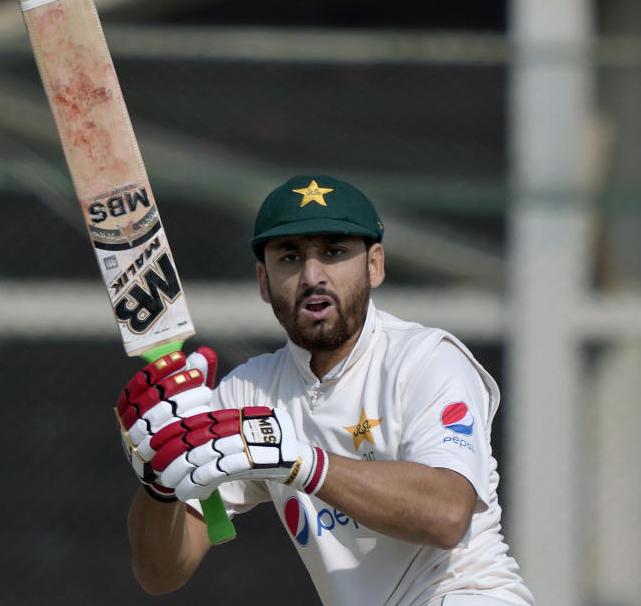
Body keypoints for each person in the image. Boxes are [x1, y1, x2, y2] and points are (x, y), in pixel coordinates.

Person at [115, 175, 535, 605]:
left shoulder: (427, 358)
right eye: (290, 257)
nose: (312, 276)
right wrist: (160, 480)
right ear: (264, 280)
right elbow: (160, 574)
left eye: (334, 252)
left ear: (374, 265)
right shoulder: (248, 391)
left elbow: (447, 515)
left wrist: (301, 462)